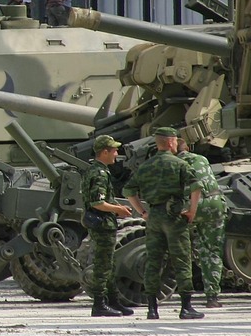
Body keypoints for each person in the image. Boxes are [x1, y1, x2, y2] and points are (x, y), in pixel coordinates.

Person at [124, 127, 204, 320]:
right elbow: (196, 187)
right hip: (174, 217)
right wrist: (192, 211)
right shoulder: (179, 164)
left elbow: (128, 191)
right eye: (175, 140)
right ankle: (186, 307)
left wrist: (143, 212)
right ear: (169, 142)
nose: (176, 143)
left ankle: (152, 308)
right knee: (182, 260)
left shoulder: (146, 166)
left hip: (154, 217)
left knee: (153, 261)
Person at [174, 132, 228, 308]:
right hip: (214, 204)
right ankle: (212, 296)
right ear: (188, 148)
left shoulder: (175, 163)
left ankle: (184, 293)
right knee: (212, 251)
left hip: (191, 206)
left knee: (181, 250)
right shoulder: (202, 159)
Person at [83, 134, 135, 317]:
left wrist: (117, 207)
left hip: (104, 224)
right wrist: (118, 209)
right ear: (104, 152)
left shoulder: (95, 170)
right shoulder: (99, 173)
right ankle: (99, 304)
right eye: (114, 150)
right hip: (103, 225)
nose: (117, 154)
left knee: (110, 264)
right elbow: (97, 203)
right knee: (103, 265)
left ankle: (113, 301)